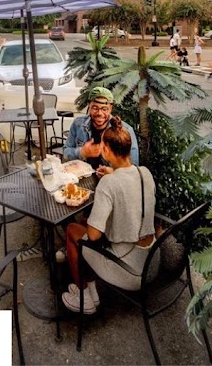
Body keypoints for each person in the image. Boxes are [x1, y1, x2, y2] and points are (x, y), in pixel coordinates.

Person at [62, 115, 156, 313]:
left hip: (129, 271)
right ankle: (91, 288)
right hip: (151, 263)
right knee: (91, 222)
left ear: (105, 150)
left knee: (73, 229)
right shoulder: (145, 173)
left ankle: (84, 296)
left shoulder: (108, 183)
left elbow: (94, 236)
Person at [63, 87, 139, 171]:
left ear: (110, 108)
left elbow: (133, 166)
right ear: (89, 106)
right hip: (84, 177)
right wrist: (82, 152)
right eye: (95, 108)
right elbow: (65, 152)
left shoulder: (125, 130)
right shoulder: (78, 124)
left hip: (112, 180)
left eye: (104, 109)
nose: (99, 113)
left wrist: (113, 172)